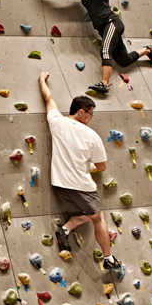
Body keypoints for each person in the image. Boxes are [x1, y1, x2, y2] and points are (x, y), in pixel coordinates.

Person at [31, 0, 152, 94]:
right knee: (123, 60)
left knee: (105, 50)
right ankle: (147, 50)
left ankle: (104, 83)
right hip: (104, 30)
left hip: (112, 23)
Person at [39, 71, 121, 269]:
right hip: (81, 186)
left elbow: (48, 98)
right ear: (82, 111)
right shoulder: (92, 136)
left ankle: (66, 229)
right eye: (90, 113)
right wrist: (89, 167)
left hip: (59, 184)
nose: (91, 118)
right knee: (98, 218)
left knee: (91, 214)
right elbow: (101, 166)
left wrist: (42, 79)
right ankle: (108, 258)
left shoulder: (57, 122)